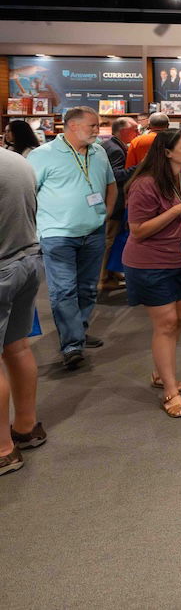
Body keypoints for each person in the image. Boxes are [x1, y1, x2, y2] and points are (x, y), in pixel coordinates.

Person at [122, 129, 181, 418]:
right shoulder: (144, 184)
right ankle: (171, 391)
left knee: (178, 320)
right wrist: (178, 210)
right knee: (167, 323)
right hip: (151, 264)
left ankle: (161, 373)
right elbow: (138, 230)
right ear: (167, 152)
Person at [27, 106, 116, 369]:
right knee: (64, 289)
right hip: (57, 235)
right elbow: (29, 193)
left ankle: (77, 331)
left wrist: (106, 215)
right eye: (93, 126)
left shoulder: (99, 151)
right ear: (72, 126)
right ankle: (72, 345)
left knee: (88, 288)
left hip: (94, 231)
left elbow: (111, 184)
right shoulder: (42, 156)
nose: (97, 131)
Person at [0, 145, 44, 475]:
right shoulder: (17, 160)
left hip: (4, 266)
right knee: (18, 348)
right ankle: (26, 427)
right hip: (27, 259)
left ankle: (3, 449)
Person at [99, 116, 138, 292]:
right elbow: (115, 175)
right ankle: (102, 278)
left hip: (113, 202)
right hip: (114, 203)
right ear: (123, 131)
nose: (138, 133)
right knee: (109, 239)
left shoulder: (112, 145)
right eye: (135, 129)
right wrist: (139, 167)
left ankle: (111, 272)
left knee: (113, 239)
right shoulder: (115, 149)